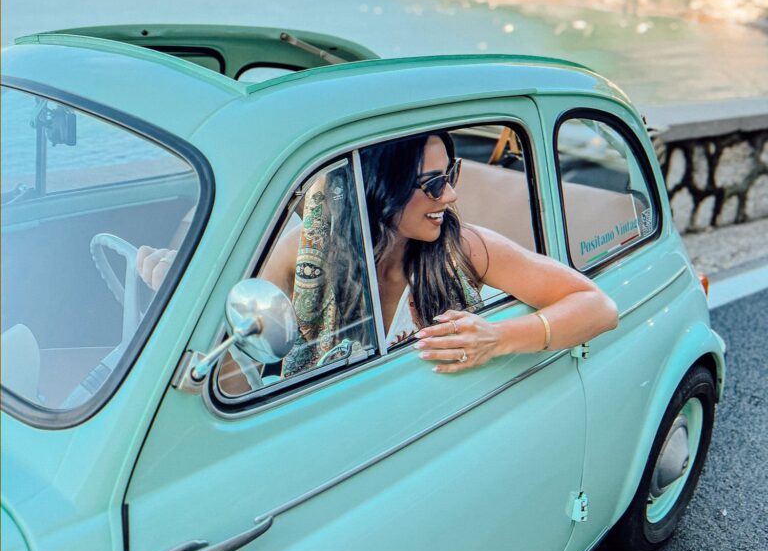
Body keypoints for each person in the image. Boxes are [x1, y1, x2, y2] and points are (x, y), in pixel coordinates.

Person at [137, 131, 618, 377]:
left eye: (449, 175)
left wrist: (500, 337)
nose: (448, 196)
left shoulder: (466, 247)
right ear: (377, 190)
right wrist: (177, 297)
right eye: (430, 184)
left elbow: (598, 306)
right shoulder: (305, 250)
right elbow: (245, 347)